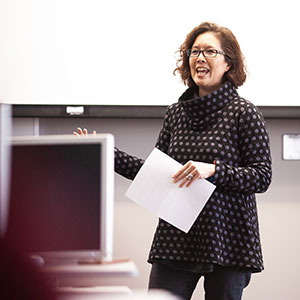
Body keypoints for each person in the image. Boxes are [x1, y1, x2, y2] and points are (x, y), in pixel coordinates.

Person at [74, 22, 272, 300]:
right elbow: (156, 174)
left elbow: (262, 176)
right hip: (175, 238)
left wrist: (214, 171)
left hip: (228, 239)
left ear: (228, 63)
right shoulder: (176, 113)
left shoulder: (244, 113)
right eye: (194, 52)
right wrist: (103, 152)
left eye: (210, 52)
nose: (200, 58)